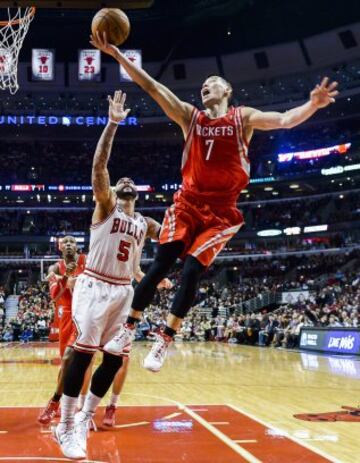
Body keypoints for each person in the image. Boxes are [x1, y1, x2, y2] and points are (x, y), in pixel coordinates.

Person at [91, 31, 339, 373]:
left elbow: (283, 120)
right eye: (203, 84)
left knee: (193, 269)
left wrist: (312, 104)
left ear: (228, 91)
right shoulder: (189, 117)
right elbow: (151, 86)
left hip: (222, 213)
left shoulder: (243, 117)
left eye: (213, 82)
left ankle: (165, 338)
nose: (205, 86)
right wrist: (117, 55)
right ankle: (128, 330)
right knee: (162, 262)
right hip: (188, 202)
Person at [53, 90, 171, 460]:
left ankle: (86, 418)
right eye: (121, 180)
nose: (126, 180)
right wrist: (113, 123)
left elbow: (172, 236)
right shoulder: (106, 206)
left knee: (115, 358)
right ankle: (65, 423)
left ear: (138, 192)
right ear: (116, 191)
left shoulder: (145, 222)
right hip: (95, 285)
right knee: (83, 355)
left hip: (123, 292)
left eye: (131, 180)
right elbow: (99, 167)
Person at [38, 236, 87, 425]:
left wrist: (71, 279)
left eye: (72, 242)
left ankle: (64, 404)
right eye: (64, 242)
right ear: (59, 248)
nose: (68, 244)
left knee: (73, 360)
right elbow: (55, 295)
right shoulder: (55, 267)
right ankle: (64, 403)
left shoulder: (87, 260)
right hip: (66, 316)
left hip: (85, 314)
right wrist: (65, 278)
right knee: (65, 364)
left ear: (77, 247)